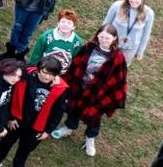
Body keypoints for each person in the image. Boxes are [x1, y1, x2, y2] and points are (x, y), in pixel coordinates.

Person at [0, 56, 69, 167]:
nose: (47, 77)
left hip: (38, 126)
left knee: (26, 149)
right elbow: (11, 95)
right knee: (6, 142)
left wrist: (48, 130)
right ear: (38, 69)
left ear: (56, 75)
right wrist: (10, 117)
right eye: (44, 72)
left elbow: (58, 111)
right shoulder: (25, 75)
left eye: (51, 74)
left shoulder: (60, 88)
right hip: (17, 121)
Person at [52, 26, 129, 157]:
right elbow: (76, 64)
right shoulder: (89, 47)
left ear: (114, 38)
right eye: (101, 36)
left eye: (107, 38)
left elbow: (119, 79)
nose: (104, 40)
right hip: (80, 86)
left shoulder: (118, 57)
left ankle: (90, 139)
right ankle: (69, 127)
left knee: (94, 117)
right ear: (97, 35)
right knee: (74, 108)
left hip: (98, 93)